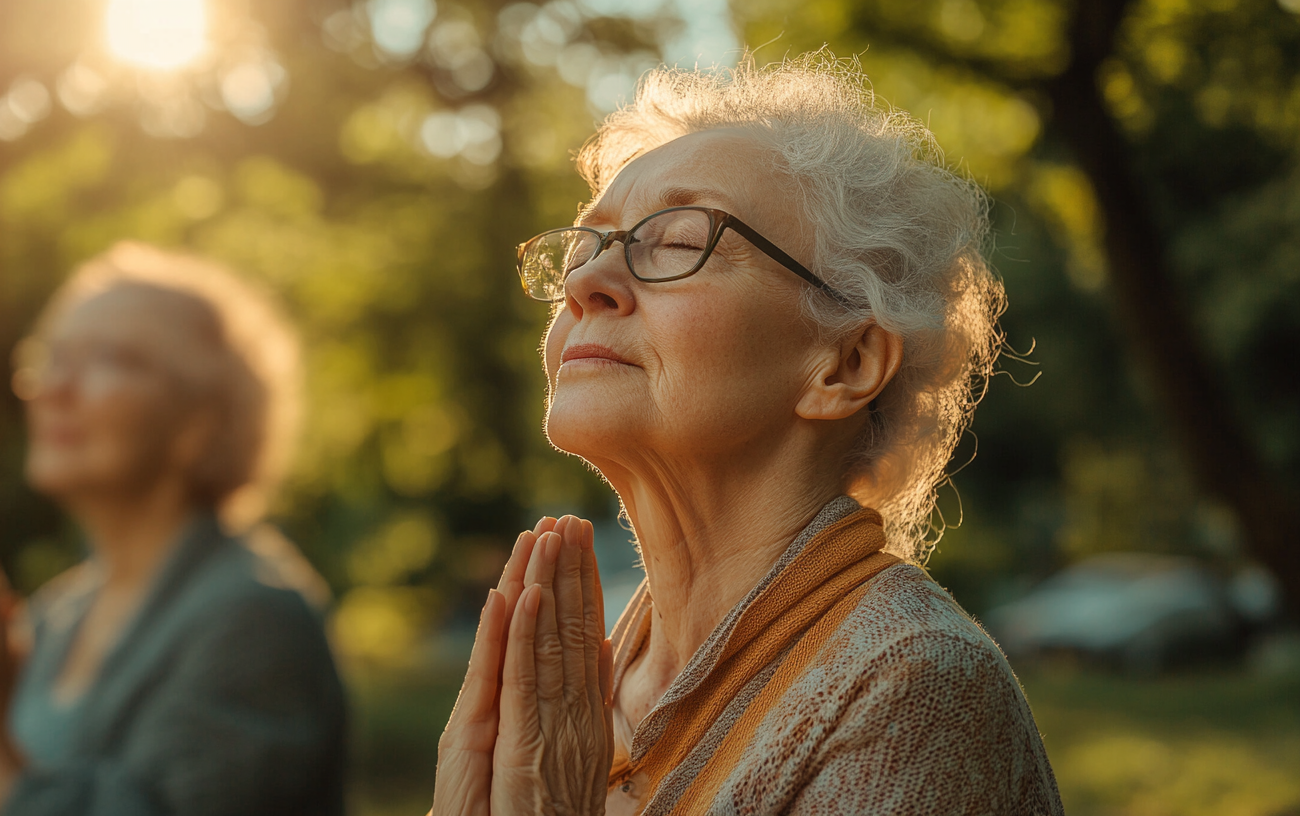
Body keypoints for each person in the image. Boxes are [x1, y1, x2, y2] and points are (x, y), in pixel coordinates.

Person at [433, 53, 1065, 815]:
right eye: (585, 246)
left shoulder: (914, 685)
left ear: (846, 363)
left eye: (674, 240)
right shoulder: (585, 681)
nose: (582, 283)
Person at [0, 243, 346, 816]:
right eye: (51, 358)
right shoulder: (56, 617)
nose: (53, 389)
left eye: (111, 358)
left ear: (200, 423)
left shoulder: (256, 621)